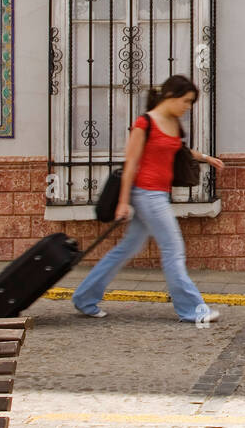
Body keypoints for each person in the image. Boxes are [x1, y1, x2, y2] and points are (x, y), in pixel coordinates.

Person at [72, 75, 226, 323]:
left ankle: (84, 298)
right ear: (170, 96)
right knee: (173, 249)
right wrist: (123, 202)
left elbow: (180, 151)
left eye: (191, 103)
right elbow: (131, 163)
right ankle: (193, 310)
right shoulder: (144, 123)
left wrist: (207, 158)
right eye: (186, 101)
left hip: (159, 194)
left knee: (126, 249)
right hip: (146, 193)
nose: (188, 107)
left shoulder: (172, 123)